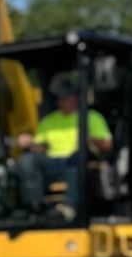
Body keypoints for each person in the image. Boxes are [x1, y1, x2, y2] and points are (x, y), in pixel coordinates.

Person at [7, 71, 112, 219]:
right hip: (52, 162)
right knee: (27, 161)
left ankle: (69, 207)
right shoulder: (48, 121)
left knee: (79, 157)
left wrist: (91, 139)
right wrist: (29, 143)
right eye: (59, 97)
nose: (61, 101)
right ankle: (34, 206)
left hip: (76, 163)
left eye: (65, 97)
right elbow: (40, 148)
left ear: (75, 97)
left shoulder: (92, 117)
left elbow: (107, 146)